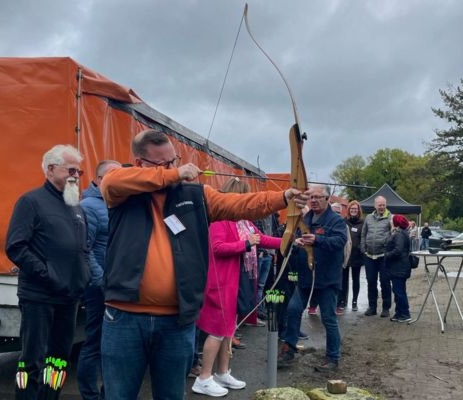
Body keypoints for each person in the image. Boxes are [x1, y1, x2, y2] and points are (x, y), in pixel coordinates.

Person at [99, 129, 308, 399]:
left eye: (173, 161)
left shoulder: (196, 195)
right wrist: (174, 174)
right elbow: (111, 181)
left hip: (176, 318)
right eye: (163, 164)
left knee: (172, 394)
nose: (173, 167)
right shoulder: (122, 191)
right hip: (123, 316)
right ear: (140, 163)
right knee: (118, 394)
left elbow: (239, 204)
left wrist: (282, 198)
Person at [5, 144, 89, 399]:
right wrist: (48, 275)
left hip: (69, 298)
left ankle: (50, 396)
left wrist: (83, 276)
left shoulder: (75, 206)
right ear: (51, 169)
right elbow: (16, 247)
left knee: (59, 361)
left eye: (79, 171)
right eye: (71, 170)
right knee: (31, 360)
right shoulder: (30, 202)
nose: (76, 175)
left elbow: (82, 247)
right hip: (39, 297)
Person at [192, 177, 283, 397]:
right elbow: (217, 247)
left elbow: (260, 238)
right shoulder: (220, 219)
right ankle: (203, 378)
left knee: (227, 330)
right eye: (244, 197)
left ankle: (222, 372)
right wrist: (246, 244)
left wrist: (288, 241)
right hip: (218, 282)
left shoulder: (241, 221)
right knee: (216, 331)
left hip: (233, 280)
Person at [278, 184, 347, 372]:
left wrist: (318, 240)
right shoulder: (305, 218)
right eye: (312, 197)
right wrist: (296, 241)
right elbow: (294, 236)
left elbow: (340, 241)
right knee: (293, 310)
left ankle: (333, 357)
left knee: (328, 318)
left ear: (327, 199)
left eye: (318, 197)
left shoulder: (336, 221)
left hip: (327, 280)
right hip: (305, 277)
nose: (314, 200)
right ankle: (288, 350)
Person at [77, 160, 121, 400]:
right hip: (100, 287)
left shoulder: (114, 203)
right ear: (101, 179)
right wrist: (101, 281)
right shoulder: (89, 207)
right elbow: (85, 249)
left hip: (116, 286)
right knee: (94, 341)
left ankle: (108, 393)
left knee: (112, 345)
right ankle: (89, 395)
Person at [361, 196, 392, 317]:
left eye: (383, 205)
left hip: (384, 256)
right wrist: (363, 248)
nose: (381, 207)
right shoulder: (368, 217)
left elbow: (393, 234)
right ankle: (372, 307)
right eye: (379, 205)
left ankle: (386, 308)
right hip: (369, 256)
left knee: (385, 282)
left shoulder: (390, 217)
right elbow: (363, 234)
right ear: (375, 205)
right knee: (371, 282)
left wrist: (387, 246)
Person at [385, 215, 412, 322]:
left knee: (399, 291)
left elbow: (398, 250)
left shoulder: (399, 234)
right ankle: (399, 313)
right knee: (398, 290)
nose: (391, 222)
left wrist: (386, 255)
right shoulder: (402, 233)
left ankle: (405, 313)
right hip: (400, 267)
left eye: (392, 220)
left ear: (396, 222)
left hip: (399, 267)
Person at [343, 200, 364, 312]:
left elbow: (364, 237)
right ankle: (343, 300)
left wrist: (361, 248)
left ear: (358, 210)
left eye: (355, 209)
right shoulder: (344, 221)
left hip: (357, 255)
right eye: (352, 209)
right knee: (344, 279)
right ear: (349, 210)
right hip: (346, 255)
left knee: (356, 279)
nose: (353, 211)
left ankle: (354, 301)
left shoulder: (362, 222)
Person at [331, 202, 352, 315]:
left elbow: (348, 243)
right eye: (334, 212)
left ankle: (339, 304)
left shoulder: (345, 226)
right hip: (327, 260)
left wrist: (345, 259)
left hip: (340, 260)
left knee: (339, 284)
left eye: (338, 212)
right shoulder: (325, 223)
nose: (337, 214)